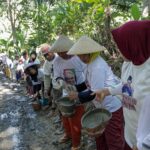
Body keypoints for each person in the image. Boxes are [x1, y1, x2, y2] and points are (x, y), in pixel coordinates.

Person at [91, 20, 150, 150]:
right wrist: (107, 91)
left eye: (120, 45)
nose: (118, 49)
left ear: (134, 44)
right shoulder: (128, 64)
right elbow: (127, 86)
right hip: (130, 134)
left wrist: (143, 145)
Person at [67, 35, 124, 150]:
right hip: (102, 107)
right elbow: (88, 83)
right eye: (79, 55)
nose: (82, 58)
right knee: (100, 138)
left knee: (113, 141)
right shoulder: (90, 64)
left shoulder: (97, 66)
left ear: (91, 53)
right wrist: (77, 88)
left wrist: (77, 95)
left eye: (84, 55)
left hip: (111, 108)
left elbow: (95, 93)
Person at [49, 35, 87, 150]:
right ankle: (68, 135)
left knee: (76, 117)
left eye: (64, 52)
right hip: (66, 91)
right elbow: (56, 76)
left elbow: (88, 75)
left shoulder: (78, 58)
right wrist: (62, 83)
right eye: (59, 53)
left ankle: (76, 143)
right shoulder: (56, 61)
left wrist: (78, 89)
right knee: (65, 116)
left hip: (80, 90)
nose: (62, 55)